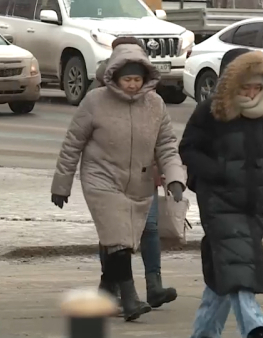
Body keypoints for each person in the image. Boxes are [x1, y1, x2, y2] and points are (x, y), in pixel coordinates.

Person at [50, 42, 186, 322]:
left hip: (138, 183)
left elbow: (167, 146)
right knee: (119, 240)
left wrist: (175, 179)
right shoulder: (95, 101)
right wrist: (61, 185)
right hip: (101, 179)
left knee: (120, 241)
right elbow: (72, 143)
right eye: (128, 79)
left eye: (137, 79)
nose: (133, 85)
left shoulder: (155, 105)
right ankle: (130, 298)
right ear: (115, 77)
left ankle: (105, 293)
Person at [179, 48, 263, 338]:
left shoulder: (261, 111)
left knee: (223, 272)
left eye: (257, 87)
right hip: (219, 201)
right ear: (231, 82)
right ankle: (255, 328)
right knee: (238, 270)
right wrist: (219, 173)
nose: (251, 93)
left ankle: (204, 333)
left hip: (251, 202)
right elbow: (188, 148)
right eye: (246, 86)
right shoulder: (211, 110)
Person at [89, 36, 178, 310]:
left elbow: (164, 140)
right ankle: (115, 288)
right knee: (115, 234)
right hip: (108, 177)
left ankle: (153, 286)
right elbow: (81, 136)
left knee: (149, 229)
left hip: (142, 174)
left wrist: (168, 172)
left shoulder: (151, 96)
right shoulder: (100, 91)